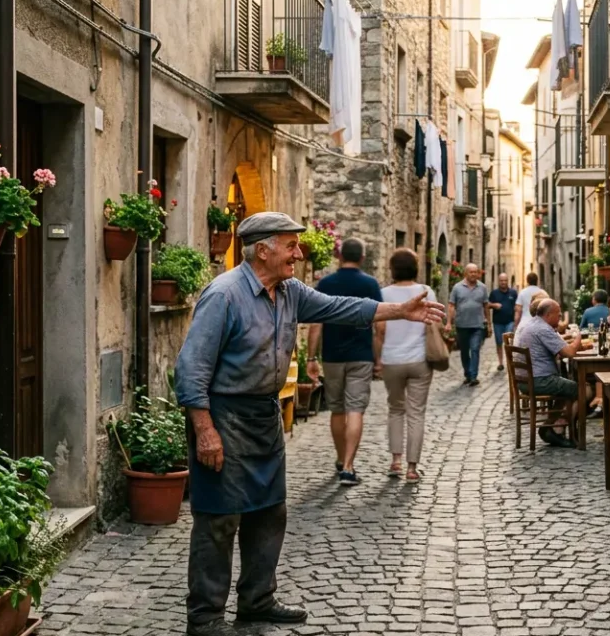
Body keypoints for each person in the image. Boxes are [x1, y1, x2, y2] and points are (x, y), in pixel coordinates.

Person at [174, 212, 445, 636]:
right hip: (224, 416)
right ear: (262, 250)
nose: (298, 254)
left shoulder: (289, 292)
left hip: (262, 415)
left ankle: (256, 601)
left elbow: (340, 308)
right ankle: (205, 617)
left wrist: (400, 310)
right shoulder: (224, 295)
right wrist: (205, 430)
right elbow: (191, 369)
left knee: (269, 512)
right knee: (219, 519)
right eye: (290, 246)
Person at [306, 238, 382, 487]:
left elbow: (316, 323)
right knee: (356, 410)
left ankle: (340, 459)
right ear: (361, 258)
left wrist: (311, 357)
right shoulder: (370, 284)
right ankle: (348, 467)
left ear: (339, 257)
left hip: (333, 356)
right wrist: (378, 357)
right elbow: (379, 324)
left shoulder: (326, 284)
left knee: (337, 410)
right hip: (361, 355)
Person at [374, 249, 437, 483]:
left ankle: (395, 461)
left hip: (392, 359)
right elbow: (436, 322)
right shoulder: (426, 292)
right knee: (417, 413)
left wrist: (378, 360)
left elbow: (379, 331)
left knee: (395, 409)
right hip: (419, 359)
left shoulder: (383, 293)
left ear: (393, 269)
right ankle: (412, 468)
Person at [513, 298, 591, 447]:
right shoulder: (543, 329)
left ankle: (550, 427)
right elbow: (569, 353)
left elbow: (560, 350)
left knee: (565, 387)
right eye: (559, 315)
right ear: (548, 315)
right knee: (585, 389)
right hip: (540, 380)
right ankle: (559, 426)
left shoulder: (532, 325)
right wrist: (580, 336)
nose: (560, 319)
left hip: (527, 380)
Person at [447, 263, 490, 386]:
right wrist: (449, 322)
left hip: (477, 325)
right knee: (465, 351)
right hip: (462, 325)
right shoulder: (457, 287)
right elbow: (451, 305)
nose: (474, 274)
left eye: (476, 272)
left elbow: (486, 306)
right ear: (466, 273)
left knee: (475, 349)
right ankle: (467, 373)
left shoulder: (482, 288)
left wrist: (489, 323)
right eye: (471, 272)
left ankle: (473, 376)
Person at [487, 273, 518, 371]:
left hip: (510, 321)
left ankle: (509, 361)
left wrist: (517, 322)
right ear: (498, 281)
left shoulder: (513, 293)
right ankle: (500, 363)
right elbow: (487, 305)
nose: (503, 282)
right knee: (499, 343)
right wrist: (494, 305)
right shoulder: (494, 293)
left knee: (508, 342)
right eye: (501, 281)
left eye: (505, 280)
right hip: (497, 322)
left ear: (507, 281)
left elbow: (517, 307)